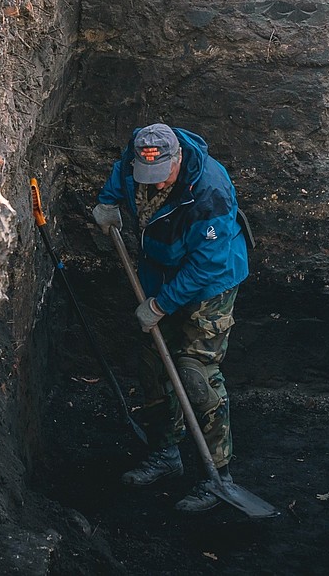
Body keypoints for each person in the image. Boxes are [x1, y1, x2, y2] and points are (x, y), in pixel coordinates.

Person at [92, 123, 251, 512]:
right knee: (153, 366)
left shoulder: (210, 192)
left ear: (178, 158)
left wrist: (160, 306)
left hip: (211, 283)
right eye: (148, 176)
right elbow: (120, 172)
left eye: (163, 176)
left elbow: (205, 269)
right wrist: (108, 201)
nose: (156, 185)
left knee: (195, 372)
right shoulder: (138, 158)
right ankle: (165, 455)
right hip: (159, 271)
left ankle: (218, 475)